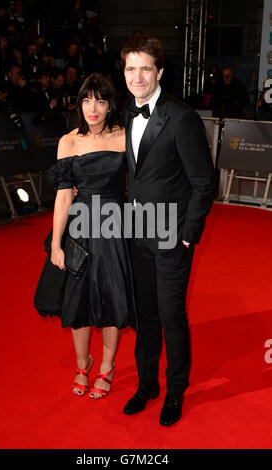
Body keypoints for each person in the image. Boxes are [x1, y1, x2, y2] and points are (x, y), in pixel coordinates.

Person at [121, 37, 216, 425]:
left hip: (172, 235)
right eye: (130, 68)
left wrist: (188, 233)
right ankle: (147, 385)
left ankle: (175, 390)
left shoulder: (182, 118)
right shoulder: (126, 112)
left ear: (159, 72)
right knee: (144, 315)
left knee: (170, 314)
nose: (137, 76)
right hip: (135, 233)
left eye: (145, 68)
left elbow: (204, 181)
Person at [34, 73, 137, 399]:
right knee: (77, 304)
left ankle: (106, 368)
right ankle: (83, 364)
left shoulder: (125, 138)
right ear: (79, 103)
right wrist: (55, 245)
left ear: (110, 106)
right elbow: (63, 197)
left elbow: (141, 184)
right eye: (87, 100)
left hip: (115, 229)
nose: (93, 108)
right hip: (79, 229)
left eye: (101, 101)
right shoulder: (69, 142)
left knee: (111, 302)